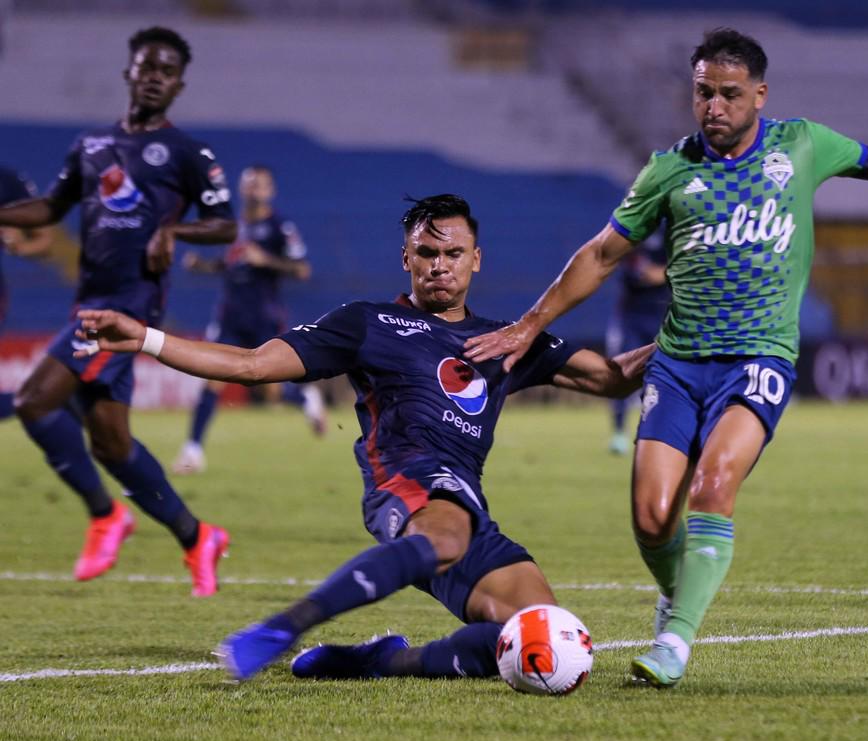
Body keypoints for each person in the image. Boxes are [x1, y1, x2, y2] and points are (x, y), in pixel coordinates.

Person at [463, 27, 868, 687]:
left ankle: (675, 644)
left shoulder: (800, 144)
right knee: (651, 516)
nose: (713, 106)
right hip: (678, 363)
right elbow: (603, 254)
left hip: (760, 359)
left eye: (728, 94)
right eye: (702, 93)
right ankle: (676, 593)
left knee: (713, 488)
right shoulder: (669, 170)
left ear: (759, 95)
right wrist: (529, 324)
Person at [77, 194, 652, 682]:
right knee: (450, 533)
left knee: (537, 635)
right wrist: (147, 338)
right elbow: (251, 364)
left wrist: (695, 334)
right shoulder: (369, 323)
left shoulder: (506, 340)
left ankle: (383, 661)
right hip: (404, 483)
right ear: (406, 258)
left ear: (476, 260)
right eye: (426, 253)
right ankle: (283, 626)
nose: (439, 266)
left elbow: (611, 378)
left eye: (453, 254)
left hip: (465, 505)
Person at [0, 27, 237, 596]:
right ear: (129, 72)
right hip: (90, 300)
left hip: (127, 307)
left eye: (167, 70)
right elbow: (51, 208)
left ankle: (106, 515)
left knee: (34, 401)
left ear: (178, 85)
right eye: (146, 65)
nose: (154, 76)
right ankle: (196, 535)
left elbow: (225, 223)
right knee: (110, 443)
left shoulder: (187, 153)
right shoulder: (91, 147)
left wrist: (174, 228)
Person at [173, 165, 325, 475]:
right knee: (212, 377)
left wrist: (265, 260)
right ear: (242, 189)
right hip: (230, 315)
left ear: (270, 191)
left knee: (270, 392)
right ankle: (193, 450)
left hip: (263, 316)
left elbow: (302, 269)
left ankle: (305, 398)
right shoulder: (232, 227)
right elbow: (230, 265)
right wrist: (202, 266)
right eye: (250, 184)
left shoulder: (280, 227)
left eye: (261, 185)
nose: (255, 189)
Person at [0, 166, 54, 420]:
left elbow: (44, 238)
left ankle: (49, 401)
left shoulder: (6, 181)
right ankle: (51, 401)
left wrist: (15, 245)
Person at [606, 239, 668, 455]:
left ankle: (654, 433)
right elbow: (645, 272)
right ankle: (619, 432)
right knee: (622, 374)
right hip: (632, 319)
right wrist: (670, 272)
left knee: (661, 377)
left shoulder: (672, 235)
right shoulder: (633, 237)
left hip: (662, 319)